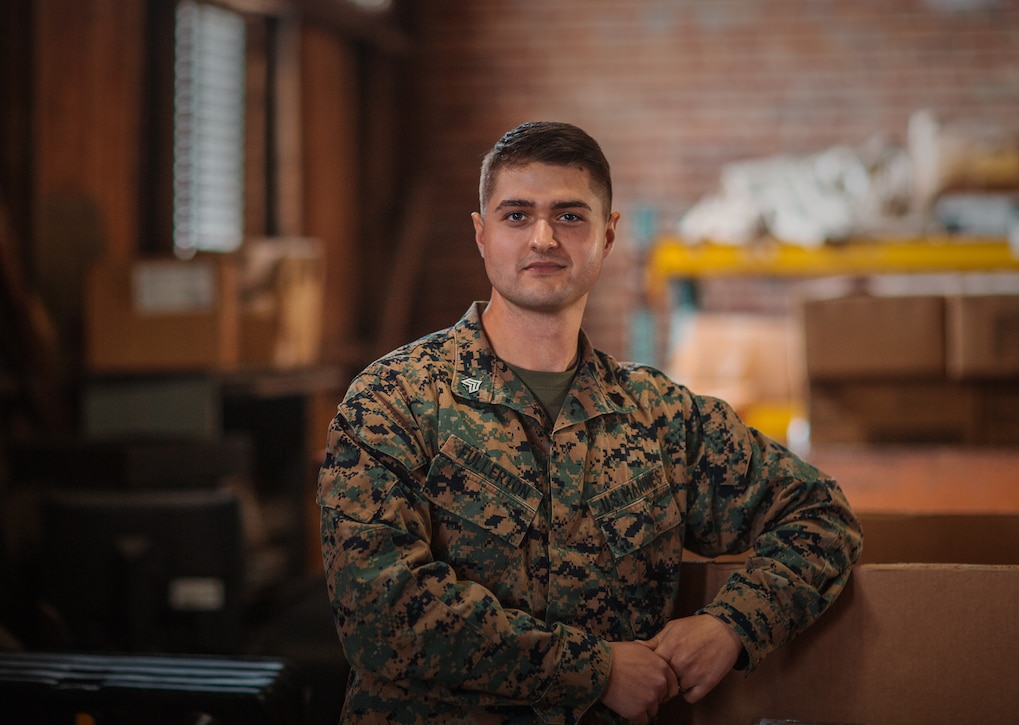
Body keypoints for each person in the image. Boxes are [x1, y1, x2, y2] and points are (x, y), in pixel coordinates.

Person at [317, 121, 863, 724]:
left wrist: (730, 625)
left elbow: (821, 516)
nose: (544, 237)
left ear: (607, 236)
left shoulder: (663, 418)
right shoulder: (396, 399)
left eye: (570, 217)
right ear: (481, 234)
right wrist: (595, 671)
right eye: (517, 216)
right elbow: (378, 613)